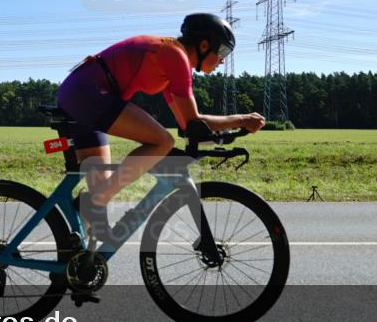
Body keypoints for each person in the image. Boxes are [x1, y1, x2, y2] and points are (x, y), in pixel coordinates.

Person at [55, 12, 266, 238]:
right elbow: (194, 121)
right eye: (223, 51)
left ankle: (77, 261)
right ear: (204, 45)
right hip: (90, 92)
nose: (223, 60)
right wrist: (242, 119)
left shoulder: (169, 59)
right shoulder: (175, 56)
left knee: (99, 188)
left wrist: (223, 133)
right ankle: (92, 204)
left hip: (79, 91)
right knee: (161, 141)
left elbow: (188, 124)